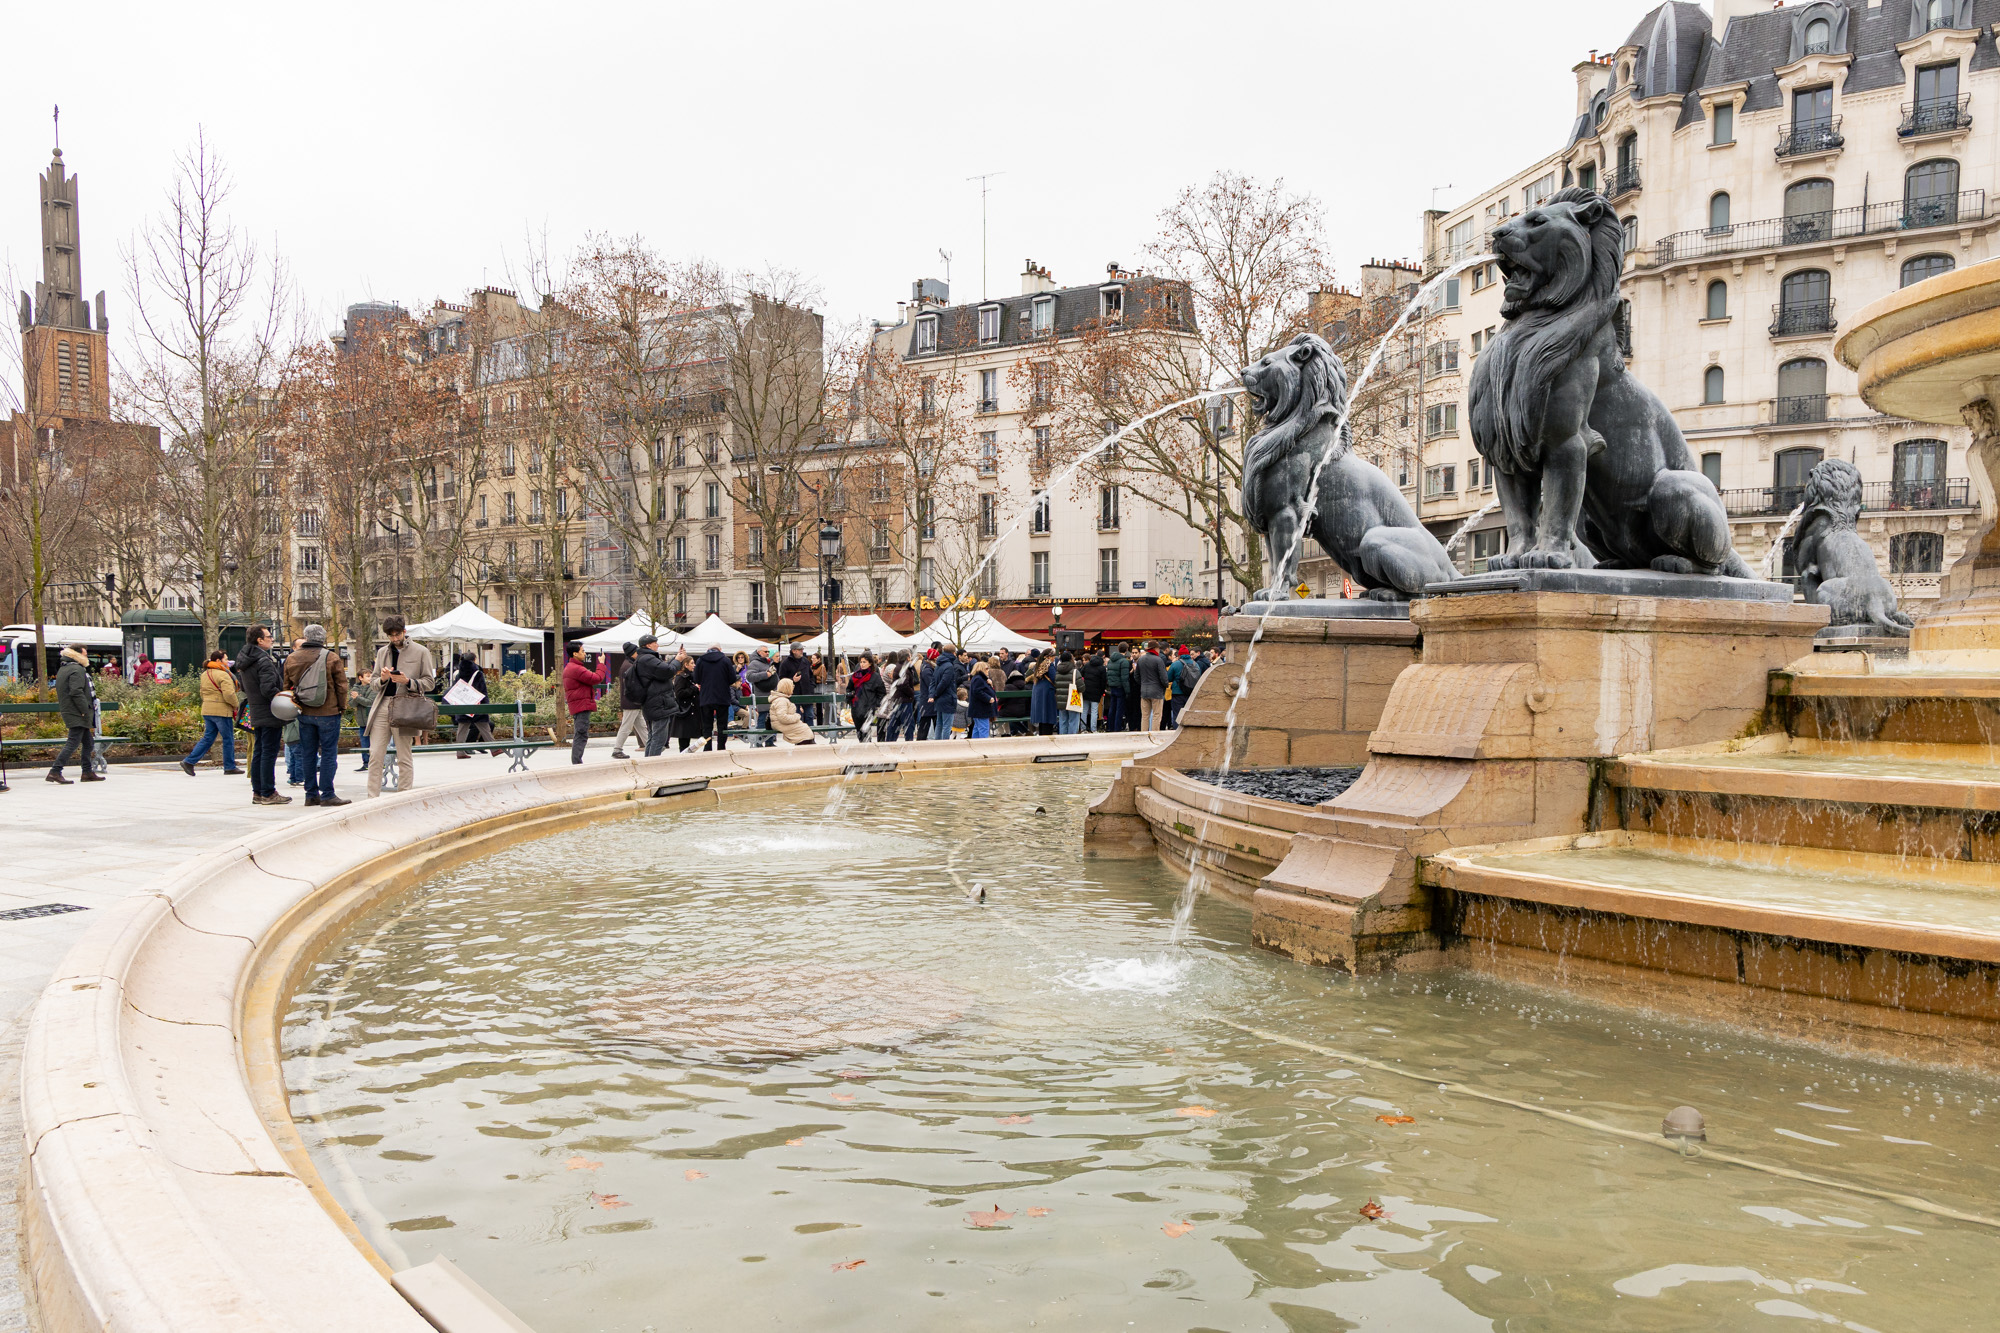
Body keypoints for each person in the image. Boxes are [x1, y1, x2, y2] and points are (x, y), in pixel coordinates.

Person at [365, 615, 437, 799]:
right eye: (391, 635)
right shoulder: (382, 653)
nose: (395, 638)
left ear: (405, 632)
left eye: (397, 634)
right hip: (383, 705)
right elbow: (372, 682)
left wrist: (408, 681)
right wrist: (382, 679)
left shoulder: (421, 651)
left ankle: (403, 798)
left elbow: (429, 683)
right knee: (375, 755)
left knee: (404, 756)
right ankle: (371, 799)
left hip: (406, 707)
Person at [284, 623, 352, 807]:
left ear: (305, 637)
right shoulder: (331, 657)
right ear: (322, 639)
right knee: (329, 753)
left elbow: (286, 687)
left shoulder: (291, 658)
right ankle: (328, 794)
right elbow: (342, 686)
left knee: (308, 753)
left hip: (304, 713)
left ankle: (311, 794)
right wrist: (341, 707)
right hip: (328, 712)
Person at [237, 625, 289, 804]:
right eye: (268, 636)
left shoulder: (245, 659)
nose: (271, 639)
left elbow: (244, 687)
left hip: (255, 709)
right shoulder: (264, 660)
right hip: (269, 712)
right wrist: (282, 697)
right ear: (259, 640)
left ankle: (258, 792)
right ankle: (268, 792)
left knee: (259, 751)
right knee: (268, 752)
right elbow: (268, 688)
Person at [45, 645, 103, 784]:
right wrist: (84, 711)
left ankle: (87, 772)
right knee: (73, 742)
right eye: (85, 653)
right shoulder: (76, 669)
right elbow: (76, 692)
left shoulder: (64, 668)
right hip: (77, 712)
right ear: (77, 655)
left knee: (88, 743)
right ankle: (55, 771)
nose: (86, 656)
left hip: (72, 710)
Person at [180, 649, 242, 776]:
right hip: (221, 711)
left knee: (208, 737)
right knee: (228, 738)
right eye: (225, 659)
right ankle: (229, 766)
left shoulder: (205, 674)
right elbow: (229, 694)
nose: (227, 662)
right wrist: (236, 705)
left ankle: (189, 761)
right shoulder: (224, 674)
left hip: (207, 709)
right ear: (218, 661)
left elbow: (202, 693)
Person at [634, 636, 679, 758]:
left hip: (653, 702)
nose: (657, 645)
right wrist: (677, 660)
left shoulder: (643, 658)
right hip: (658, 703)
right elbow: (668, 671)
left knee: (653, 736)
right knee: (659, 738)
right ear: (648, 645)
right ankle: (652, 765)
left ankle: (647, 763)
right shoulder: (648, 659)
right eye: (655, 643)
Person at [561, 644, 606, 764]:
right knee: (581, 734)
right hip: (581, 705)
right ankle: (577, 762)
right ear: (575, 653)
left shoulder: (572, 667)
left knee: (580, 733)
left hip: (579, 705)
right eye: (583, 651)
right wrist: (601, 664)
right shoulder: (576, 669)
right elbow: (596, 678)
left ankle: (577, 761)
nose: (585, 653)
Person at [449, 652, 498, 758]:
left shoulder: (459, 674)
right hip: (477, 703)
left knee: (462, 728)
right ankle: (494, 748)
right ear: (474, 660)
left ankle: (460, 752)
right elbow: (482, 690)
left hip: (463, 704)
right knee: (484, 726)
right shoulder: (478, 673)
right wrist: (485, 704)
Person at [611, 641, 650, 759]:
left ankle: (651, 745)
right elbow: (634, 685)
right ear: (632, 653)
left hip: (632, 701)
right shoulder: (629, 666)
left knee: (641, 725)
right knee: (626, 726)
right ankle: (617, 749)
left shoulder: (628, 664)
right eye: (636, 652)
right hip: (631, 701)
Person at [693, 644, 736, 751]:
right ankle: (721, 748)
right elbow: (732, 678)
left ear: (707, 649)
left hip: (706, 697)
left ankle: (707, 749)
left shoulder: (700, 660)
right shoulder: (725, 660)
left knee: (707, 726)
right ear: (720, 650)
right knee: (722, 725)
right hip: (722, 697)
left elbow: (696, 679)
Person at [927, 646, 964, 741]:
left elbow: (933, 682)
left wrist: (932, 695)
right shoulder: (949, 666)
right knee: (947, 725)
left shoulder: (938, 664)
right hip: (947, 698)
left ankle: (937, 743)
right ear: (954, 653)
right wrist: (935, 694)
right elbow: (944, 683)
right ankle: (944, 745)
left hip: (939, 699)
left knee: (939, 723)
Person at [766, 676, 815, 745]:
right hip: (780, 723)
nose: (793, 688)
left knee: (804, 729)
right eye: (792, 686)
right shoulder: (781, 700)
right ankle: (806, 749)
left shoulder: (782, 699)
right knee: (804, 731)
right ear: (787, 688)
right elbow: (782, 717)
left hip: (782, 723)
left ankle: (805, 747)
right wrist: (797, 717)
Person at [847, 654, 885, 739]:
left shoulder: (875, 677)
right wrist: (850, 696)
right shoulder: (855, 675)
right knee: (859, 732)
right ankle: (863, 748)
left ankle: (867, 748)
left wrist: (876, 704)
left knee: (866, 732)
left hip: (868, 708)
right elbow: (849, 689)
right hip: (856, 708)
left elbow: (882, 693)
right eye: (861, 662)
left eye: (864, 662)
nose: (862, 664)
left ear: (870, 663)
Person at [744, 647, 777, 746]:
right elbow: (749, 676)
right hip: (762, 695)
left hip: (771, 695)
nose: (768, 653)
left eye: (768, 652)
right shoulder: (754, 663)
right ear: (759, 652)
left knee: (771, 719)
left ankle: (769, 741)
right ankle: (759, 742)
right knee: (762, 719)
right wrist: (765, 675)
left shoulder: (769, 662)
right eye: (765, 651)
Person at [1136, 640, 1171, 731]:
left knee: (1144, 716)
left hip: (1144, 691)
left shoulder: (1141, 659)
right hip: (1157, 691)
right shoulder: (1158, 660)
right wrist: (1165, 685)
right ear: (1155, 649)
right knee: (1156, 715)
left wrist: (1143, 683)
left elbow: (1136, 676)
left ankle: (1143, 735)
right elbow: (1163, 677)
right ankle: (1155, 734)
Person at [1027, 652, 1058, 736]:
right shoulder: (1049, 665)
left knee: (1042, 718)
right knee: (1048, 717)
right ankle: (1047, 737)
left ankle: (1042, 736)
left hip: (1038, 692)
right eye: (1052, 657)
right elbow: (1054, 678)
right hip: (1047, 692)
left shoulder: (1038, 665)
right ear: (1047, 657)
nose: (1053, 658)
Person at [351, 670, 376, 771]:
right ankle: (365, 763)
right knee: (364, 743)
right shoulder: (355, 688)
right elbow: (352, 704)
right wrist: (358, 698)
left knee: (375, 743)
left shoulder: (374, 688)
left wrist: (358, 697)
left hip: (372, 720)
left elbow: (369, 702)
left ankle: (378, 762)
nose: (370, 678)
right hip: (362, 721)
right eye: (367, 676)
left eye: (371, 676)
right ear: (360, 678)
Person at [964, 661, 997, 739]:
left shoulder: (979, 678)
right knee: (983, 728)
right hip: (981, 709)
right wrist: (988, 698)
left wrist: (990, 684)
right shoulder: (979, 678)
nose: (988, 670)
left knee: (977, 728)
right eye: (986, 668)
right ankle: (983, 745)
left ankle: (976, 743)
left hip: (978, 708)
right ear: (981, 669)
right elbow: (978, 691)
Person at [1104, 643, 1132, 733]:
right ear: (1126, 650)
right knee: (1119, 709)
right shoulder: (1124, 661)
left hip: (1112, 686)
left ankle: (1110, 727)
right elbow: (1124, 678)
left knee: (1112, 708)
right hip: (1120, 687)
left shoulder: (1111, 660)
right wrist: (1128, 691)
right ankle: (1117, 728)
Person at [1079, 649, 1107, 733]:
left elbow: (1081, 674)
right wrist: (1102, 692)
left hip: (1086, 691)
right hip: (1096, 692)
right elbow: (1103, 682)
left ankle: (1083, 728)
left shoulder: (1087, 666)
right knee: (1094, 711)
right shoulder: (1102, 668)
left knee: (1084, 710)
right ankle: (1093, 729)